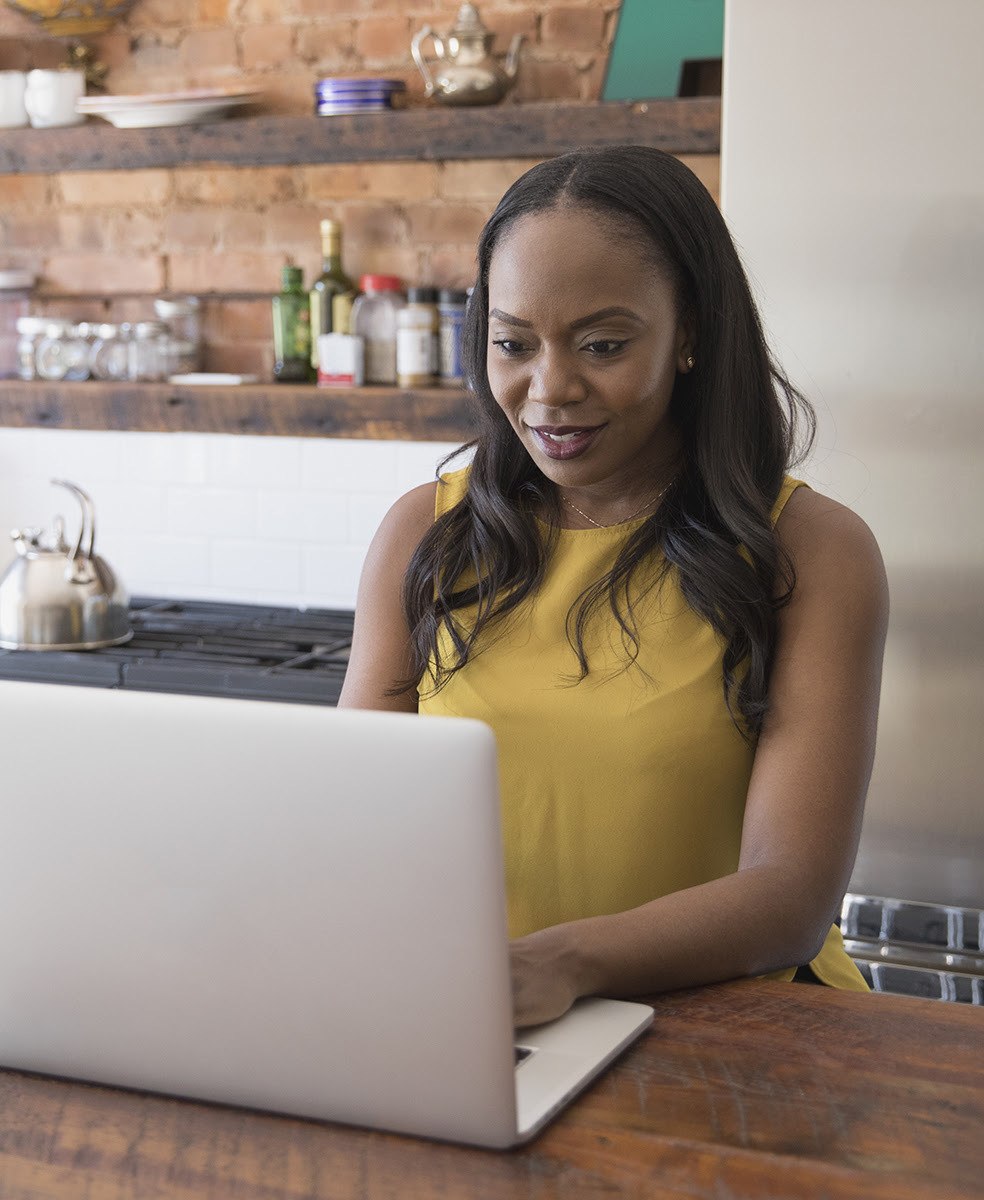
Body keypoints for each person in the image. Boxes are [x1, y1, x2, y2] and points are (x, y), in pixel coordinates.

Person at [338, 146, 889, 1026]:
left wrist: (563, 962)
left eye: (602, 344)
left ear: (692, 335)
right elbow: (352, 819)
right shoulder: (424, 534)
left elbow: (792, 894)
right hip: (491, 1025)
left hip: (744, 1040)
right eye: (514, 344)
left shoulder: (812, 553)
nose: (549, 389)